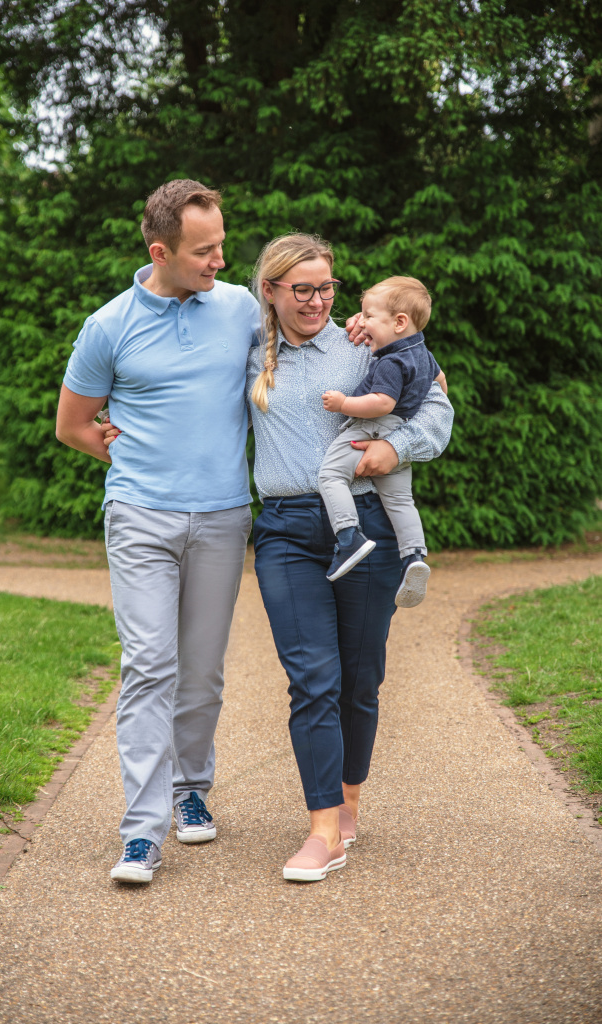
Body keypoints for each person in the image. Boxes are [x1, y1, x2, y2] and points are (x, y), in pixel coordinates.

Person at [56, 179, 260, 884]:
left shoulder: (240, 308)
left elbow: (304, 347)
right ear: (160, 252)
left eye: (221, 245)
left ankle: (190, 789)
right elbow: (72, 424)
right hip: (140, 514)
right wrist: (135, 457)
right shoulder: (108, 325)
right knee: (149, 665)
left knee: (201, 671)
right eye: (204, 251)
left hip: (224, 515)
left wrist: (392, 350)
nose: (220, 261)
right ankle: (141, 833)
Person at [246, 234, 453, 881]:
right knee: (313, 678)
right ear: (270, 291)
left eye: (326, 288)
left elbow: (438, 409)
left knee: (360, 679)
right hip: (285, 531)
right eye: (302, 289)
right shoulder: (246, 353)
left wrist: (398, 448)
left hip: (367, 526)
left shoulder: (368, 342)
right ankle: (323, 830)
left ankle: (348, 800)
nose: (316, 301)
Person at [317, 276, 447, 607]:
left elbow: (382, 402)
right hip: (401, 431)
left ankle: (349, 536)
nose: (361, 322)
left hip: (372, 428)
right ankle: (414, 556)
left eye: (369, 316)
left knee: (331, 475)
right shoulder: (422, 353)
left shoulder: (391, 360)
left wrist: (343, 403)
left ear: (399, 322)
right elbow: (441, 383)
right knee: (401, 500)